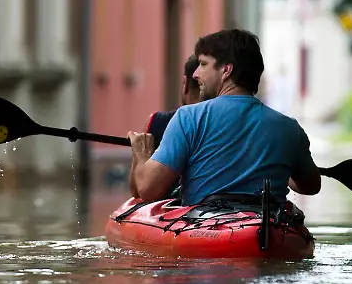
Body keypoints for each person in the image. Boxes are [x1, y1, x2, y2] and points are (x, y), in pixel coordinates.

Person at [127, 29, 322, 206]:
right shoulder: (289, 128)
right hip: (267, 231)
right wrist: (279, 165)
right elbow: (310, 186)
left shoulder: (188, 117)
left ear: (226, 70)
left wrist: (142, 154)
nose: (195, 73)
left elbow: (148, 190)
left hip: (203, 231)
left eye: (203, 64)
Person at [128, 54, 201, 199]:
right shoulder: (227, 123)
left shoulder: (158, 122)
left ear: (185, 84)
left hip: (171, 212)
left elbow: (137, 190)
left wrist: (140, 156)